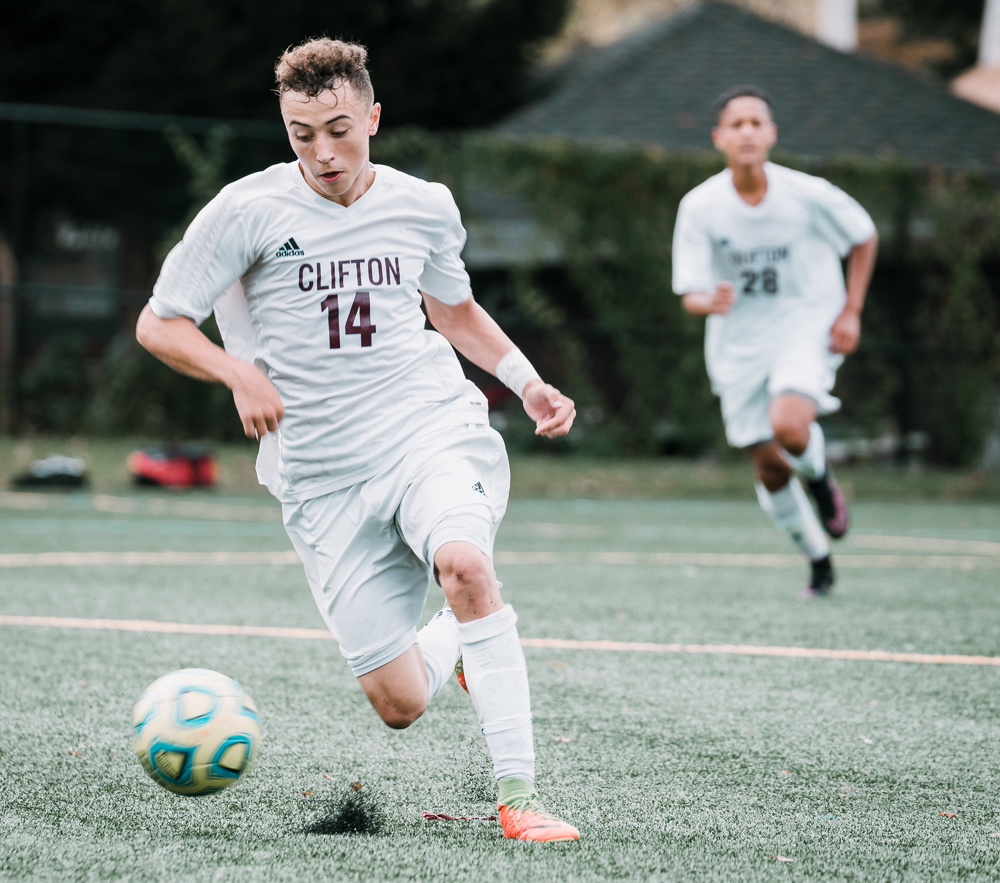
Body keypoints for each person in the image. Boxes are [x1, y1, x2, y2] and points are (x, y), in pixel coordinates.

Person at [136, 37, 579, 842]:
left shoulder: (424, 204)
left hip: (428, 430)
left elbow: (452, 311)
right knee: (400, 702)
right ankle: (458, 650)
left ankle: (520, 798)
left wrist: (527, 381)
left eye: (338, 128)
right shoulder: (246, 210)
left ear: (373, 116)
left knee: (467, 566)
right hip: (323, 478)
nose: (322, 152)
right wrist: (238, 374)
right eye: (301, 134)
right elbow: (158, 324)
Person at [671, 86, 878, 596]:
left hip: (805, 323)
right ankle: (818, 558)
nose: (747, 132)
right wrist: (708, 300)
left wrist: (850, 310)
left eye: (756, 123)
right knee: (767, 466)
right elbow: (689, 292)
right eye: (735, 124)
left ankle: (822, 479)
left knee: (789, 426)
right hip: (739, 343)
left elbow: (863, 235)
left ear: (771, 134)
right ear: (720, 138)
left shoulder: (806, 193)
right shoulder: (699, 206)